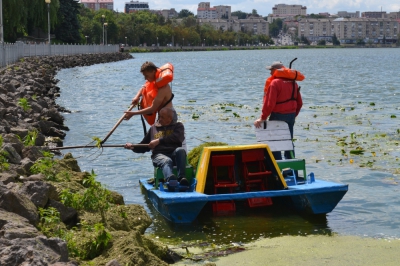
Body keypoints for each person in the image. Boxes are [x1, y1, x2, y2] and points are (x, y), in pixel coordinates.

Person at [124, 107, 188, 189]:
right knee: (166, 160)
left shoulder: (178, 126)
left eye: (162, 117)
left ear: (169, 119)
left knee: (181, 150)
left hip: (173, 153)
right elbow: (144, 146)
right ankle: (170, 180)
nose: (159, 119)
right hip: (159, 155)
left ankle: (182, 178)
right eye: (159, 116)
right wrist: (132, 147)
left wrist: (159, 141)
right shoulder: (153, 128)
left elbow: (177, 138)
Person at [254, 61, 303, 160]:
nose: (270, 73)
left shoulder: (274, 83)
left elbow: (269, 104)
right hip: (291, 116)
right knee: (288, 142)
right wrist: (294, 115)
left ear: (276, 71)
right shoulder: (294, 83)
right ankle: (291, 167)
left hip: (278, 115)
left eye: (271, 70)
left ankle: (277, 167)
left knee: (275, 141)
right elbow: (300, 103)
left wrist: (262, 118)